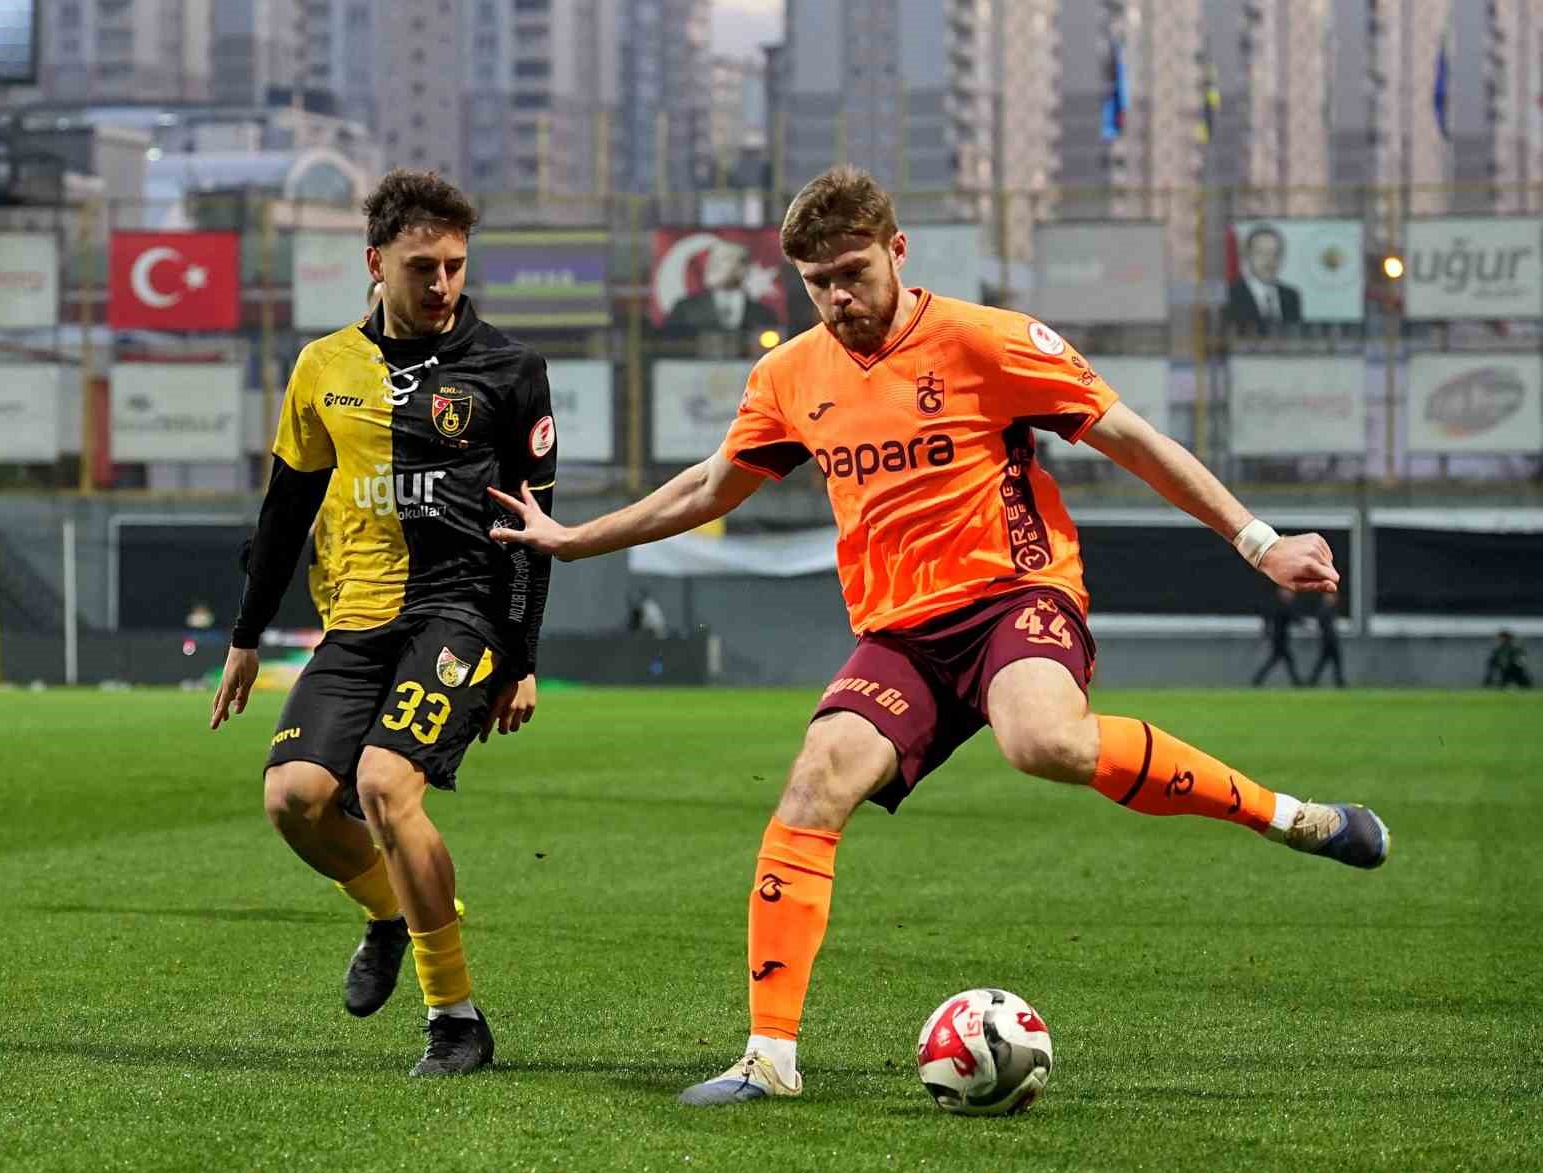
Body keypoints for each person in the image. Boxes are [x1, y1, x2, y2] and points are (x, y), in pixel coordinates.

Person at [490, 166, 1390, 1108]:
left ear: (898, 250)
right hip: (900, 637)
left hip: (1015, 596)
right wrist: (576, 538)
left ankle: (1293, 817)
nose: (839, 298)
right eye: (817, 283)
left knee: (1042, 740)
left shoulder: (986, 341)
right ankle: (768, 1058)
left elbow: (1131, 438)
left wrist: (1259, 541)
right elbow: (712, 485)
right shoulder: (790, 375)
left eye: (853, 273)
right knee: (813, 782)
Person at [210, 169, 557, 1077]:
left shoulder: (510, 369)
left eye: (454, 266)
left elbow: (535, 529)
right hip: (357, 615)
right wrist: (246, 636)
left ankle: (456, 1020)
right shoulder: (323, 366)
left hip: (462, 611)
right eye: (421, 268)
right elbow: (285, 510)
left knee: (381, 783)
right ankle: (390, 910)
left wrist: (523, 658)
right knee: (292, 798)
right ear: (375, 263)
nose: (442, 284)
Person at [665, 239, 780, 333]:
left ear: (743, 269)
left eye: (723, 259)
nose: (712, 265)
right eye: (711, 259)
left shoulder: (764, 315)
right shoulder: (684, 310)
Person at [1224, 224, 1303, 334]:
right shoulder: (1230, 295)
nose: (1269, 260)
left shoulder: (1291, 296)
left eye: (1275, 253)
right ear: (1247, 255)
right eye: (1261, 253)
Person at [1252, 587, 1300, 686]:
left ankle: (1257, 680)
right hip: (1279, 639)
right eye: (1288, 593)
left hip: (1279, 639)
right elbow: (1294, 618)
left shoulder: (1282, 606)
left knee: (1278, 661)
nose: (1291, 595)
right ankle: (1297, 682)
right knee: (1286, 661)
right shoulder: (1282, 607)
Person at [1306, 591, 1346, 687]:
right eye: (1333, 597)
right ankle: (1338, 681)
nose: (1335, 599)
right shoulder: (1325, 609)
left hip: (1329, 640)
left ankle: (1313, 681)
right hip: (1328, 640)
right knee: (1330, 661)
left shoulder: (1329, 609)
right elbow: (1324, 625)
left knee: (1328, 661)